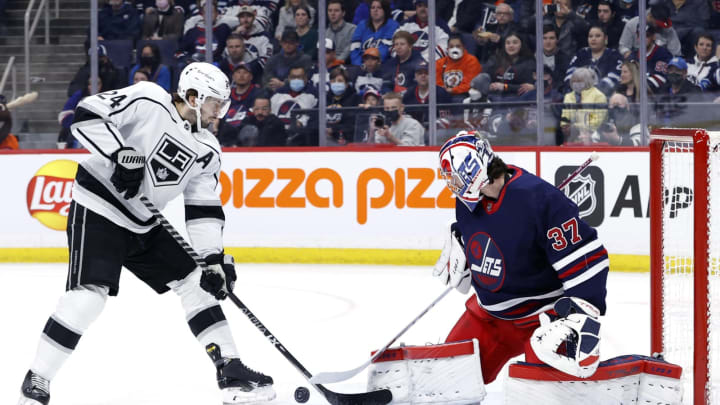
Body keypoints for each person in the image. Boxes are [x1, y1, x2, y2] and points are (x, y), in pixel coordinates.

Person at [16, 62, 276, 405]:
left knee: (198, 281)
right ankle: (37, 379)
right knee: (89, 297)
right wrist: (120, 154)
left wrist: (213, 259)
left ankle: (230, 369)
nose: (220, 112)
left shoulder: (208, 148)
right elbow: (87, 114)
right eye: (215, 102)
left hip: (143, 223)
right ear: (194, 96)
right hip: (99, 209)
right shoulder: (149, 98)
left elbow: (203, 208)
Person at [434, 131, 608, 385]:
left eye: (456, 179)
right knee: (447, 382)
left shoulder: (539, 200)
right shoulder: (465, 203)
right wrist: (464, 246)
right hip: (488, 317)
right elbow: (482, 230)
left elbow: (587, 259)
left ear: (474, 171)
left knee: (545, 395)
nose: (453, 186)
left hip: (543, 321)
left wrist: (581, 316)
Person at [564, 24, 623, 96]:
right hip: (579, 96)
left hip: (605, 98)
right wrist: (583, 91)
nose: (593, 39)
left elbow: (614, 79)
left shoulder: (614, 55)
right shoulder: (581, 54)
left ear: (605, 38)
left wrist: (592, 92)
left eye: (598, 36)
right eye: (590, 36)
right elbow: (569, 77)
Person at [480, 32, 536, 101]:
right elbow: (484, 77)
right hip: (493, 98)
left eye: (515, 43)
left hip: (517, 100)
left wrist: (505, 87)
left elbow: (526, 87)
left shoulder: (529, 63)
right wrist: (489, 86)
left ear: (521, 45)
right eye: (508, 43)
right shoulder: (495, 59)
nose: (511, 46)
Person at [219, 96, 288, 146]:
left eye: (264, 109)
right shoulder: (247, 121)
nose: (260, 112)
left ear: (270, 110)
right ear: (253, 109)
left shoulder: (277, 124)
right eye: (257, 109)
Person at [349, 0, 400, 66]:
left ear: (385, 10)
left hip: (382, 65)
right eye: (373, 8)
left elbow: (385, 49)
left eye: (379, 8)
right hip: (361, 65)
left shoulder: (393, 25)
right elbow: (354, 49)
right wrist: (359, 64)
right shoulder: (362, 25)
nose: (375, 10)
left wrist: (372, 63)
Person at [435, 33, 482, 97]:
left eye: (458, 46)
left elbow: (470, 84)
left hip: (464, 95)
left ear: (463, 47)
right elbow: (436, 83)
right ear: (447, 49)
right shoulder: (439, 63)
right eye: (451, 46)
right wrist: (443, 90)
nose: (454, 49)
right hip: (443, 95)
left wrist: (453, 90)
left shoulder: (471, 61)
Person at [326, 68, 360, 145]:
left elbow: (353, 123)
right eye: (333, 81)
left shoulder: (355, 98)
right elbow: (315, 118)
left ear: (347, 83)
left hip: (348, 141)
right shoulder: (325, 98)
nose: (336, 83)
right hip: (325, 139)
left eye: (340, 81)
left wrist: (334, 129)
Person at [542, 25, 572, 91]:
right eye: (544, 38)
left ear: (557, 40)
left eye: (551, 38)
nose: (548, 42)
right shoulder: (534, 58)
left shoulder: (565, 59)